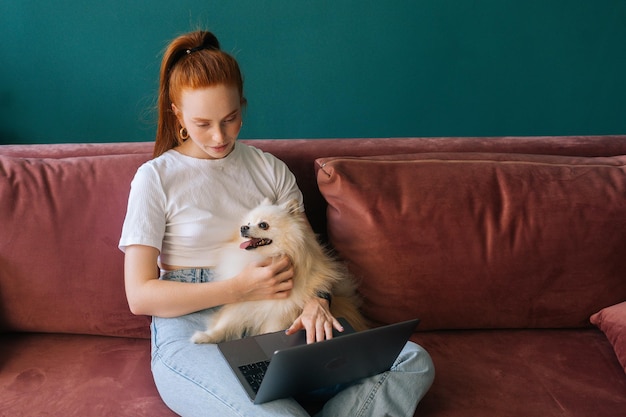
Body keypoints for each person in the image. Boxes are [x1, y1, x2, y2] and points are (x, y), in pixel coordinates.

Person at [119, 30, 434, 417]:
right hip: (192, 325)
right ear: (177, 113)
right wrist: (238, 289)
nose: (219, 136)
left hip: (279, 313)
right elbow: (140, 296)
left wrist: (318, 301)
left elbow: (311, 259)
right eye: (203, 124)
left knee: (411, 360)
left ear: (243, 106)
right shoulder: (156, 177)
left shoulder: (269, 170)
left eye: (231, 119)